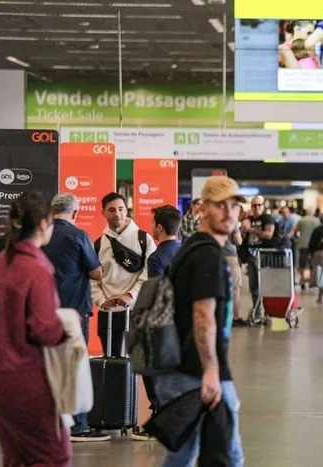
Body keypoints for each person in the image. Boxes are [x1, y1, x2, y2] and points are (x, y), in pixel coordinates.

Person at [153, 176, 246, 466]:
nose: (229, 212)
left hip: (179, 369)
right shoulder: (208, 255)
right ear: (204, 208)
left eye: (234, 205)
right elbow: (203, 314)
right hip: (194, 373)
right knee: (229, 455)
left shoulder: (191, 247)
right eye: (220, 205)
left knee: (183, 454)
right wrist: (211, 371)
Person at [0, 192, 71, 466]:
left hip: (0, 382)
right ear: (42, 225)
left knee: (16, 458)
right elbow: (44, 330)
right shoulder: (37, 268)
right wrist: (67, 327)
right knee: (54, 456)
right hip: (30, 380)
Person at [42, 193, 107, 442]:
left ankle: (51, 422)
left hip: (44, 311)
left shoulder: (42, 234)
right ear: (76, 213)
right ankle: (78, 425)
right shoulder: (79, 235)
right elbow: (96, 273)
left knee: (47, 366)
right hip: (74, 312)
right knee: (75, 366)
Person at [92, 192, 156, 440]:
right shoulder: (98, 244)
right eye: (111, 210)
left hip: (136, 311)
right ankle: (112, 414)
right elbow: (94, 279)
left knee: (143, 364)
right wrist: (101, 301)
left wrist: (131, 296)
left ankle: (151, 414)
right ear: (103, 212)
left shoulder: (143, 239)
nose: (117, 214)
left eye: (120, 209)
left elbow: (148, 274)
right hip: (108, 314)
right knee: (112, 364)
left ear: (125, 209)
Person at [241, 195, 275, 324]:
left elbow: (268, 234)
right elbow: (242, 235)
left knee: (265, 286)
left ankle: (268, 313)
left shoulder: (267, 218)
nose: (256, 208)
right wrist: (244, 229)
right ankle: (258, 312)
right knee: (253, 286)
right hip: (251, 255)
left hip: (264, 255)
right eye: (254, 205)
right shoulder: (248, 219)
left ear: (263, 206)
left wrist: (251, 230)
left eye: (259, 205)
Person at [148, 205, 182, 278]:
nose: (151, 226)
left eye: (152, 222)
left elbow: (156, 288)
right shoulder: (186, 252)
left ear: (159, 228)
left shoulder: (155, 259)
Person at [294, 209, 320, 289]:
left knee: (302, 263)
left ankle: (302, 280)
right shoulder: (317, 220)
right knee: (312, 263)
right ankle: (311, 282)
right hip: (314, 245)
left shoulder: (301, 220)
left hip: (303, 244)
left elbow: (295, 231)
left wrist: (298, 238)